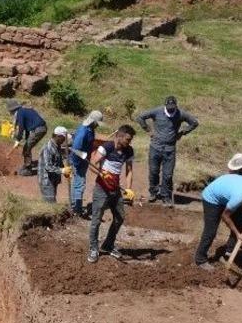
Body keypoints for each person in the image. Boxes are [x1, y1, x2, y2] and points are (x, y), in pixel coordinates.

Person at [195, 173, 242, 270]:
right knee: (210, 231)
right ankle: (200, 259)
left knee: (241, 221)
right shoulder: (240, 196)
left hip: (226, 193)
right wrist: (237, 234)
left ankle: (228, 252)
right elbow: (225, 216)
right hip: (212, 198)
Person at [135, 96, 200, 206]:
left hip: (170, 149)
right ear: (165, 105)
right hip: (155, 147)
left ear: (176, 106)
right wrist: (148, 130)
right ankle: (154, 193)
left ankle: (166, 196)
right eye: (168, 107)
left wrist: (183, 132)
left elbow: (194, 122)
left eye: (173, 107)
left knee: (168, 175)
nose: (170, 109)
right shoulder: (157, 111)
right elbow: (140, 117)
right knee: (153, 171)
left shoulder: (180, 114)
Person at [87, 125, 136, 263]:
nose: (129, 142)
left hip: (116, 190)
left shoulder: (129, 150)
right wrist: (103, 174)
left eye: (130, 139)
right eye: (127, 139)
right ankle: (93, 248)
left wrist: (129, 189)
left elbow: (129, 170)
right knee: (96, 220)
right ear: (119, 136)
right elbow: (92, 163)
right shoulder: (106, 147)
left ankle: (108, 245)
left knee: (120, 218)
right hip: (101, 189)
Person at [69, 109, 103, 218]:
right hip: (78, 161)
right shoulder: (83, 131)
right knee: (80, 184)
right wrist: (79, 161)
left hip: (83, 160)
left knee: (77, 183)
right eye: (97, 123)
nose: (98, 125)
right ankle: (77, 210)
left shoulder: (90, 129)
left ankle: (74, 206)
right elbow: (75, 148)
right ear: (93, 121)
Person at [6, 98, 47, 176]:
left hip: (39, 129)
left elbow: (21, 127)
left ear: (12, 110)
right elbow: (27, 128)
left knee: (26, 148)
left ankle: (28, 169)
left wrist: (17, 140)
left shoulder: (20, 113)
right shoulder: (24, 111)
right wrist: (26, 139)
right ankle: (27, 165)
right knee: (27, 146)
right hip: (41, 128)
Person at [38, 126, 69, 202]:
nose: (64, 140)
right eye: (63, 138)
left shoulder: (57, 146)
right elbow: (48, 167)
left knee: (51, 200)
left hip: (53, 179)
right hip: (46, 181)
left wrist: (64, 169)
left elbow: (58, 161)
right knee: (50, 204)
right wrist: (62, 170)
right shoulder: (48, 148)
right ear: (58, 136)